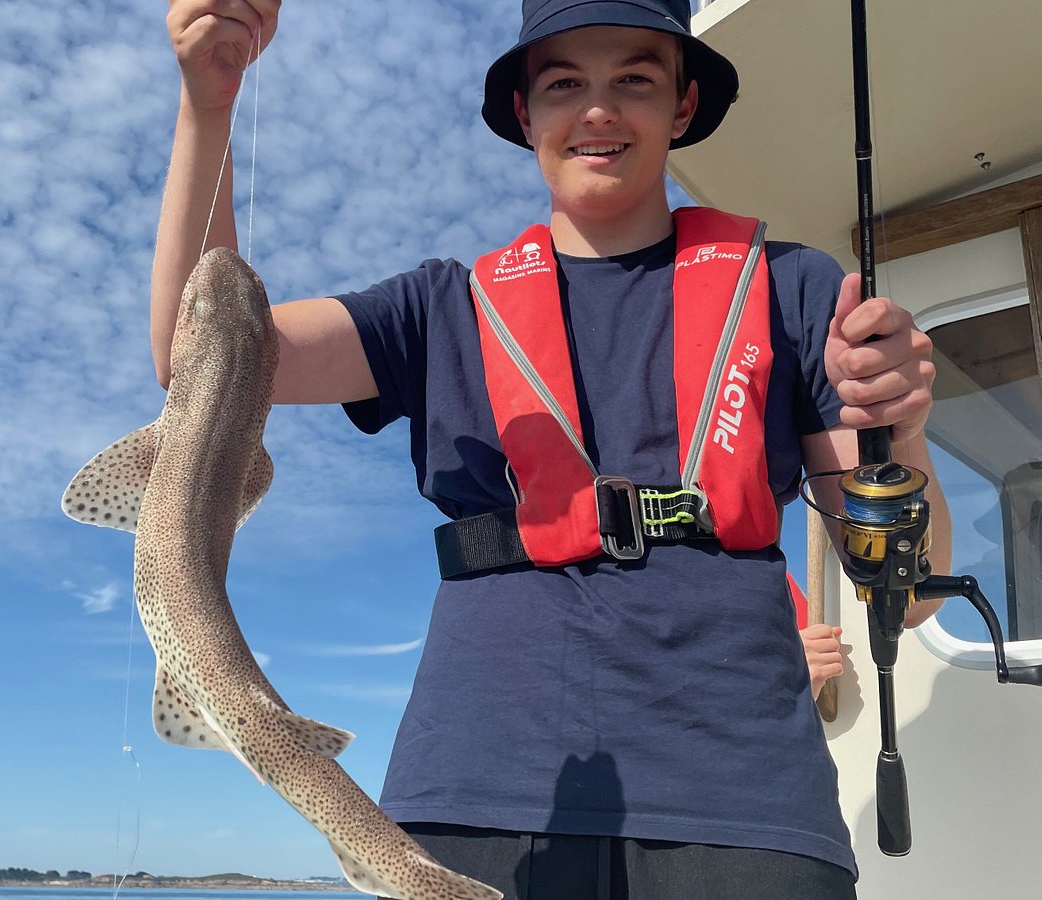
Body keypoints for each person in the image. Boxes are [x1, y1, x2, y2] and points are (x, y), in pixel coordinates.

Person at [152, 1, 951, 897]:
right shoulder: (437, 310)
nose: (599, 109)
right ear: (526, 113)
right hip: (470, 800)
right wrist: (207, 105)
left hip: (748, 809)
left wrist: (905, 427)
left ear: (683, 105)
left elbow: (909, 597)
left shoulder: (794, 291)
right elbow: (196, 359)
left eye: (635, 80)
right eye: (565, 82)